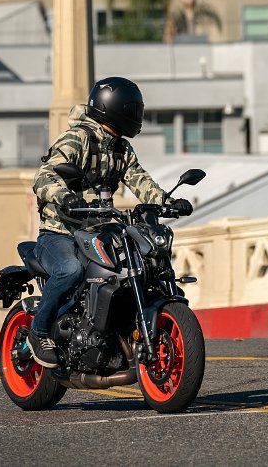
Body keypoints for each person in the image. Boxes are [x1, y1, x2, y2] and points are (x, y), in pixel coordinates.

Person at [27, 76, 193, 368]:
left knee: (139, 266)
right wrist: (65, 197)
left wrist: (166, 201)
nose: (137, 116)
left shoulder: (121, 148)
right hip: (61, 231)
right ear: (114, 109)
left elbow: (139, 180)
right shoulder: (77, 139)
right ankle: (39, 331)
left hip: (99, 230)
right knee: (70, 269)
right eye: (133, 110)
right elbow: (43, 176)